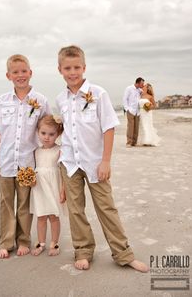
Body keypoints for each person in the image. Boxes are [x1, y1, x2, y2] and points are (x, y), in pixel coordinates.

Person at [56, 45, 149, 272]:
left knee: (106, 208)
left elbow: (108, 128)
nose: (73, 72)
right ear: (60, 70)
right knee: (75, 210)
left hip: (95, 162)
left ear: (84, 67)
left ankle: (123, 254)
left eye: (77, 67)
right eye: (67, 68)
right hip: (69, 162)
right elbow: (64, 131)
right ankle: (83, 250)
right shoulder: (60, 99)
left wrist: (105, 160)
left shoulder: (98, 93)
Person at [0, 54, 50, 259]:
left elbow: (47, 127)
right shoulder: (2, 101)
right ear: (9, 75)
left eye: (24, 71)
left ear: (30, 73)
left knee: (25, 204)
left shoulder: (41, 100)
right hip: (6, 161)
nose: (20, 75)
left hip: (27, 162)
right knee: (6, 203)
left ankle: (24, 240)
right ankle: (6, 242)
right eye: (15, 72)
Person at [30, 115, 66, 256]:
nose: (47, 137)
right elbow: (34, 170)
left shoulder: (60, 150)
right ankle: (41, 243)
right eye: (43, 133)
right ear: (37, 132)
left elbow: (63, 173)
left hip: (53, 187)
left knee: (53, 216)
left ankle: (54, 243)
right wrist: (31, 179)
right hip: (39, 188)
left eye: (51, 134)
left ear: (58, 134)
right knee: (41, 216)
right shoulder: (35, 151)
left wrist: (63, 190)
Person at [123, 77, 145, 147]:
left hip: (137, 111)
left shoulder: (140, 90)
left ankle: (134, 142)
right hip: (131, 110)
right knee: (130, 127)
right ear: (137, 83)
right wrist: (127, 109)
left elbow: (140, 100)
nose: (143, 85)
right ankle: (129, 142)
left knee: (136, 127)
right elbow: (125, 99)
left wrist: (141, 94)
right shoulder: (129, 88)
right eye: (142, 83)